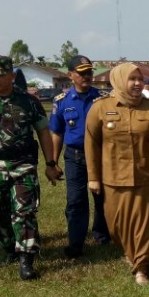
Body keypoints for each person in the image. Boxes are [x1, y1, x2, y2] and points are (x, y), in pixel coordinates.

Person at [0, 55, 62, 281]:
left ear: (12, 76)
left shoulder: (29, 102)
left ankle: (26, 257)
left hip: (23, 165)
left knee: (24, 212)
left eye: (0, 74)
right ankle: (9, 248)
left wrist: (50, 164)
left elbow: (43, 133)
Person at [85, 63, 149, 285]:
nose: (137, 83)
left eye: (140, 79)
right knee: (117, 225)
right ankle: (130, 252)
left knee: (145, 223)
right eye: (132, 79)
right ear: (118, 80)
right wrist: (93, 177)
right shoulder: (100, 108)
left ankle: (141, 266)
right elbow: (91, 145)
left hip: (147, 175)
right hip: (113, 177)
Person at [50, 54, 110, 258]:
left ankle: (102, 235)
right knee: (75, 201)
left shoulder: (103, 98)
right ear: (70, 75)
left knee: (102, 196)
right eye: (82, 73)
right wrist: (53, 162)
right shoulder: (62, 101)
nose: (87, 76)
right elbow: (57, 133)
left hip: (101, 155)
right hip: (74, 156)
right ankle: (76, 242)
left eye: (90, 72)